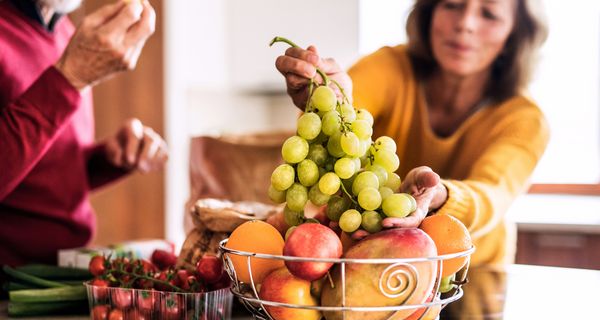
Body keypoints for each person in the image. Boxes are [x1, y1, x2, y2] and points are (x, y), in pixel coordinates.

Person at [274, 0, 549, 265]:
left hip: (470, 270)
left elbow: (493, 193)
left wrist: (439, 196)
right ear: (430, 12)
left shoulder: (525, 118)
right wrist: (331, 100)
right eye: (452, 4)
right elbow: (344, 122)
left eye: (489, 13)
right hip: (374, 259)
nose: (465, 23)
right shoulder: (389, 66)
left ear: (514, 34)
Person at [0, 0, 167, 266]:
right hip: (11, 285)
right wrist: (70, 78)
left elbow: (36, 173)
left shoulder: (66, 32)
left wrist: (108, 159)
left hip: (59, 274)